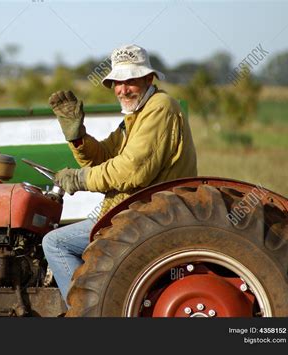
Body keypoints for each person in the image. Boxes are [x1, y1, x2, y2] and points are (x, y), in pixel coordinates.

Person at [42, 44, 197, 306]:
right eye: (117, 82)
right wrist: (77, 136)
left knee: (55, 243)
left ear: (149, 79)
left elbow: (131, 170)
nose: (122, 89)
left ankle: (85, 314)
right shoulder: (135, 116)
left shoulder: (160, 107)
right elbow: (104, 156)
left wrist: (79, 179)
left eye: (130, 81)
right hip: (135, 212)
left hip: (150, 215)